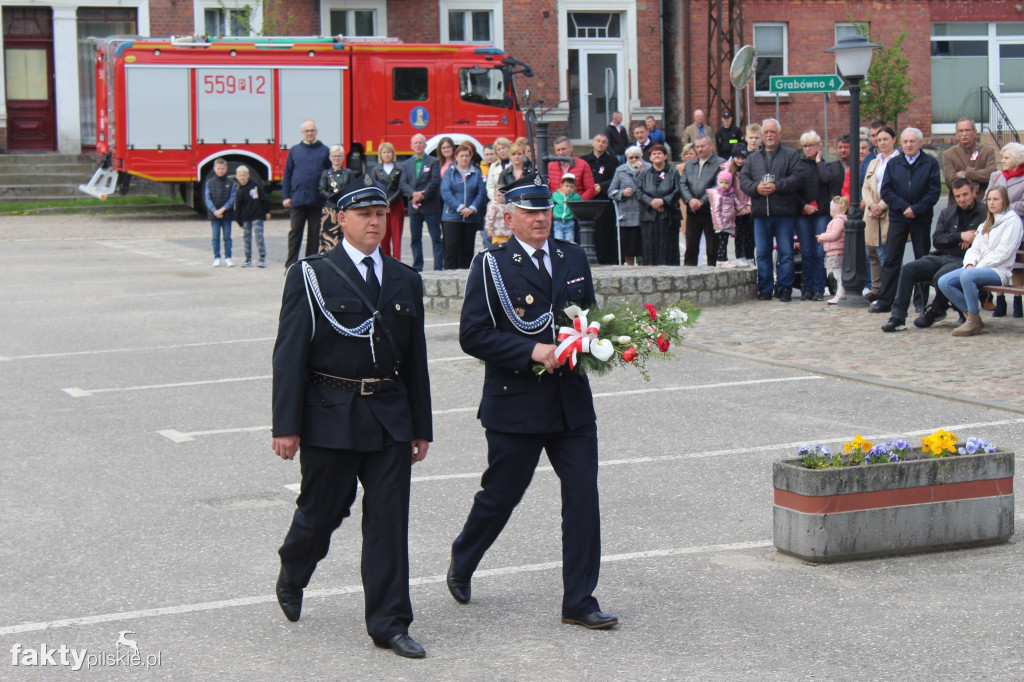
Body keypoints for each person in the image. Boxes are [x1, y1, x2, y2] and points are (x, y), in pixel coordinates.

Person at [447, 175, 617, 632]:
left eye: (545, 210)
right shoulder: (492, 265)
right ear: (510, 216)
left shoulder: (573, 256)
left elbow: (589, 315)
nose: (541, 218)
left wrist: (600, 342)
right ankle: (464, 557)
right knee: (501, 495)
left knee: (583, 497)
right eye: (530, 211)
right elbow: (473, 334)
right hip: (516, 403)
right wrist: (530, 352)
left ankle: (579, 600)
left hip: (571, 404)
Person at [271, 177, 432, 659]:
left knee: (388, 522)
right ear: (340, 220)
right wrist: (286, 425)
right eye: (364, 215)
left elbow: (416, 361)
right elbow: (289, 353)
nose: (375, 223)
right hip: (330, 414)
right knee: (323, 510)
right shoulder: (312, 274)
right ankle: (294, 568)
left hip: (388, 416)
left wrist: (421, 427)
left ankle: (389, 623)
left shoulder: (405, 279)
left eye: (381, 214)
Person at [880, 178, 985, 332]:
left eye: (965, 195)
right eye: (958, 196)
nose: (962, 199)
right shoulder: (948, 213)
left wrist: (972, 239)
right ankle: (897, 318)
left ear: (973, 193)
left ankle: (937, 309)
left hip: (964, 260)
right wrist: (960, 236)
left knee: (941, 277)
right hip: (941, 256)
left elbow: (984, 238)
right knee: (909, 269)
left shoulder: (984, 213)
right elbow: (937, 240)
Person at [937, 186, 1024, 336]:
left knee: (967, 276)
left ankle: (972, 323)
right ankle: (973, 317)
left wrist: (977, 268)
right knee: (944, 281)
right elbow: (974, 249)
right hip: (978, 269)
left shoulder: (1012, 221)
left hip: (998, 271)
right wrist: (970, 264)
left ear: (1004, 200)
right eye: (989, 199)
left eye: (995, 199)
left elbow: (1004, 252)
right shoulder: (985, 224)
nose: (991, 203)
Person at [874, 127, 942, 315]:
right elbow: (886, 191)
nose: (909, 145)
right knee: (891, 259)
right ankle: (886, 300)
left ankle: (920, 301)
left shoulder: (930, 163)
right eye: (905, 142)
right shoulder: (894, 163)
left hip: (921, 217)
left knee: (922, 259)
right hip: (898, 216)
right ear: (901, 143)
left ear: (920, 143)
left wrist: (916, 209)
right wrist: (904, 207)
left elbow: (934, 191)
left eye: (912, 141)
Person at [738, 118, 805, 301]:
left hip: (784, 212)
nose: (769, 135)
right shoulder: (753, 159)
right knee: (762, 253)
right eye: (766, 132)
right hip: (761, 213)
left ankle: (784, 289)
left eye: (772, 132)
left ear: (779, 134)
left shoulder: (790, 155)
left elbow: (798, 177)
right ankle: (765, 289)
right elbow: (744, 181)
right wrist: (756, 189)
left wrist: (778, 186)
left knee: (785, 253)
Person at [282, 119, 331, 267]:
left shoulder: (324, 151)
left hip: (316, 199)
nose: (310, 133)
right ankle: (290, 264)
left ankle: (310, 264)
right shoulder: (295, 150)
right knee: (295, 232)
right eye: (307, 131)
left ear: (316, 132)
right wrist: (286, 196)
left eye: (312, 130)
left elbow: (329, 175)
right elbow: (287, 175)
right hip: (298, 199)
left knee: (314, 234)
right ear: (302, 133)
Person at [986, 141, 1024, 317]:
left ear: (1017, 160)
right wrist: (996, 207)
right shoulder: (996, 176)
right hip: (996, 226)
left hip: (1018, 226)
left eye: (1007, 157)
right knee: (996, 262)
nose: (1003, 160)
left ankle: (1017, 301)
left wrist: (1004, 207)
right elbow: (987, 198)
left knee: (1016, 266)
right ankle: (999, 300)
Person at [796, 130, 835, 301]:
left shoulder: (825, 165)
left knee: (820, 252)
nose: (808, 149)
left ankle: (820, 287)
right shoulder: (798, 165)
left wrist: (819, 162)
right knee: (807, 252)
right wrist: (804, 205)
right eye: (805, 146)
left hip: (822, 213)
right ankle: (808, 287)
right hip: (804, 213)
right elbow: (793, 189)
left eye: (811, 146)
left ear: (819, 147)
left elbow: (827, 179)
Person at [860, 126, 898, 302]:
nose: (882, 143)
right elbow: (866, 186)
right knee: (873, 252)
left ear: (893, 140)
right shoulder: (874, 161)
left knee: (887, 253)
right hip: (872, 211)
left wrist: (881, 206)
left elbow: (897, 186)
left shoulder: (898, 160)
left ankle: (892, 290)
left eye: (886, 139)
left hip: (889, 211)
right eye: (879, 140)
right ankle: (877, 287)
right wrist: (871, 205)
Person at [400, 133, 444, 272]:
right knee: (415, 239)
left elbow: (435, 181)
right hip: (414, 208)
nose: (418, 145)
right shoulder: (406, 164)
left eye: (421, 142)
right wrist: (413, 194)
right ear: (411, 146)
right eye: (416, 143)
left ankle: (438, 267)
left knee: (436, 238)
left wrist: (421, 196)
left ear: (425, 145)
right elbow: (403, 182)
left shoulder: (434, 161)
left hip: (431, 206)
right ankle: (417, 267)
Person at [440, 142, 487, 269]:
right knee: (451, 249)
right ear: (456, 157)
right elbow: (445, 192)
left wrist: (472, 208)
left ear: (470, 157)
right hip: (452, 217)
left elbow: (481, 193)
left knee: (467, 250)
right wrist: (460, 207)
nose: (464, 158)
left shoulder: (476, 173)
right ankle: (449, 276)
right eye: (461, 156)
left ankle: (466, 278)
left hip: (471, 217)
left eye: (467, 155)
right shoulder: (450, 172)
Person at [680, 134, 724, 266]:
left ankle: (711, 277)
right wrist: (690, 200)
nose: (699, 149)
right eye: (697, 147)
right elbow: (682, 184)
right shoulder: (690, 165)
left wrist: (702, 201)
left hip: (711, 211)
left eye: (702, 146)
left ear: (711, 145)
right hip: (692, 211)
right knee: (691, 248)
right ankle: (689, 276)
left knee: (712, 249)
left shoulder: (720, 163)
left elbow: (718, 186)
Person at [637, 143, 681, 265]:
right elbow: (638, 191)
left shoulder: (674, 173)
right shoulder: (644, 174)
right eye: (653, 154)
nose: (656, 156)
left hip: (669, 216)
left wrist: (663, 201)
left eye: (659, 153)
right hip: (649, 216)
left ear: (665, 156)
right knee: (650, 246)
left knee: (668, 247)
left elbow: (678, 190)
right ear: (650, 158)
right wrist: (651, 202)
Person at [608, 146, 648, 265]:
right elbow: (611, 191)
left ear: (642, 157)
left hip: (644, 211)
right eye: (631, 158)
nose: (634, 160)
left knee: (644, 246)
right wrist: (623, 193)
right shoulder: (620, 170)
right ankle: (629, 268)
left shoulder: (649, 168)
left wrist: (642, 172)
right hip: (627, 213)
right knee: (628, 246)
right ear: (627, 158)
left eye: (637, 157)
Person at [942, 118, 997, 206]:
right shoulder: (949, 154)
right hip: (958, 205)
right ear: (956, 134)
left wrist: (965, 174)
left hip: (982, 203)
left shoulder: (987, 151)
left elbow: (992, 175)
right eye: (961, 131)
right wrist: (977, 183)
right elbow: (950, 181)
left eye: (967, 130)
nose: (964, 134)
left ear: (974, 132)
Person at [317, 145, 357, 253]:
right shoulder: (326, 174)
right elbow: (321, 190)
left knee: (346, 237)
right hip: (330, 211)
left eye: (339, 156)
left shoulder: (349, 173)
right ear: (330, 158)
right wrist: (334, 198)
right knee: (329, 239)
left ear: (343, 157)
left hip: (345, 210)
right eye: (334, 156)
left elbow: (352, 189)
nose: (337, 158)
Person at [706, 170, 747, 268]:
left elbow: (737, 203)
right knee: (722, 242)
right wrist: (719, 224)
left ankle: (723, 258)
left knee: (725, 241)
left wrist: (742, 209)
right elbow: (715, 210)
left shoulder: (730, 194)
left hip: (729, 221)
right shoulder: (717, 195)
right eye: (721, 182)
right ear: (718, 182)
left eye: (726, 183)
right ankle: (721, 259)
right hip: (722, 222)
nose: (723, 185)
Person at [370, 142, 405, 259]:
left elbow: (401, 188)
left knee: (396, 236)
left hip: (396, 205)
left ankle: (397, 262)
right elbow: (373, 188)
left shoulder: (399, 169)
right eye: (384, 152)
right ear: (380, 154)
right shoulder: (376, 170)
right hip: (381, 206)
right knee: (383, 235)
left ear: (393, 154)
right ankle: (384, 261)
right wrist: (383, 202)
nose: (386, 155)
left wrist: (390, 201)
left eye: (389, 152)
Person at [724, 143, 755, 266]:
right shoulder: (729, 172)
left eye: (743, 158)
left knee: (750, 234)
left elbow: (751, 188)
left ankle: (750, 256)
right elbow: (729, 191)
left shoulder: (749, 171)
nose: (740, 161)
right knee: (739, 234)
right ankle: (740, 256)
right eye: (737, 158)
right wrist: (739, 207)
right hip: (737, 208)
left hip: (748, 208)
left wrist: (749, 205)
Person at [233, 165, 270, 268]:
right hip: (246, 218)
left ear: (248, 175)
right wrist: (239, 221)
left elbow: (263, 198)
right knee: (247, 238)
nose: (242, 178)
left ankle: (262, 258)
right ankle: (248, 258)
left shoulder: (255, 186)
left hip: (257, 215)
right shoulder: (240, 190)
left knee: (259, 237)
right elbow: (238, 207)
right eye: (240, 176)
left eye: (244, 175)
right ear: (237, 177)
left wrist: (267, 211)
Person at [204, 157, 236, 267]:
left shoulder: (230, 182)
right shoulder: (210, 182)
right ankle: (216, 257)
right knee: (215, 237)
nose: (220, 171)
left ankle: (228, 257)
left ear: (226, 169)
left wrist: (223, 209)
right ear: (214, 169)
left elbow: (232, 198)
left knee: (227, 237)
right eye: (218, 168)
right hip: (214, 215)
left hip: (227, 214)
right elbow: (207, 198)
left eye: (222, 168)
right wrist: (214, 210)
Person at [818, 196, 848, 304]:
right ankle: (839, 294)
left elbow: (834, 235)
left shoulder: (838, 221)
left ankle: (840, 294)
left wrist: (822, 237)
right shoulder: (839, 220)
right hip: (833, 251)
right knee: (835, 275)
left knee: (837, 275)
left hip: (836, 251)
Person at [552, 173, 582, 241]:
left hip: (570, 222)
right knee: (558, 241)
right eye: (567, 186)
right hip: (558, 222)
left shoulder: (576, 197)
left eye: (571, 187)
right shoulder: (556, 195)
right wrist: (553, 213)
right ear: (562, 186)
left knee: (569, 241)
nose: (569, 188)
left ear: (574, 188)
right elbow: (551, 205)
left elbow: (579, 207)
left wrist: (575, 215)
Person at [827, 133, 851, 199]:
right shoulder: (832, 166)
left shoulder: (859, 165)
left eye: (846, 147)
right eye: (840, 147)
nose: (842, 150)